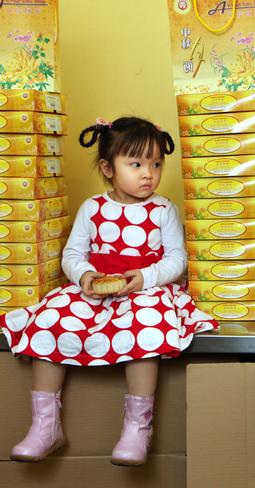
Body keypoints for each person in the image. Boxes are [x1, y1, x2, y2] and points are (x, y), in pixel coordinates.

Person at [1, 117, 218, 466]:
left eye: (156, 164)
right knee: (50, 321)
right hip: (97, 289)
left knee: (146, 328)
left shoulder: (163, 210)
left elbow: (176, 259)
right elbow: (72, 255)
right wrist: (85, 276)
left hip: (145, 288)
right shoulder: (93, 208)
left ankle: (137, 428)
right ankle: (45, 425)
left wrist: (146, 277)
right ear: (107, 168)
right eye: (136, 164)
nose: (148, 173)